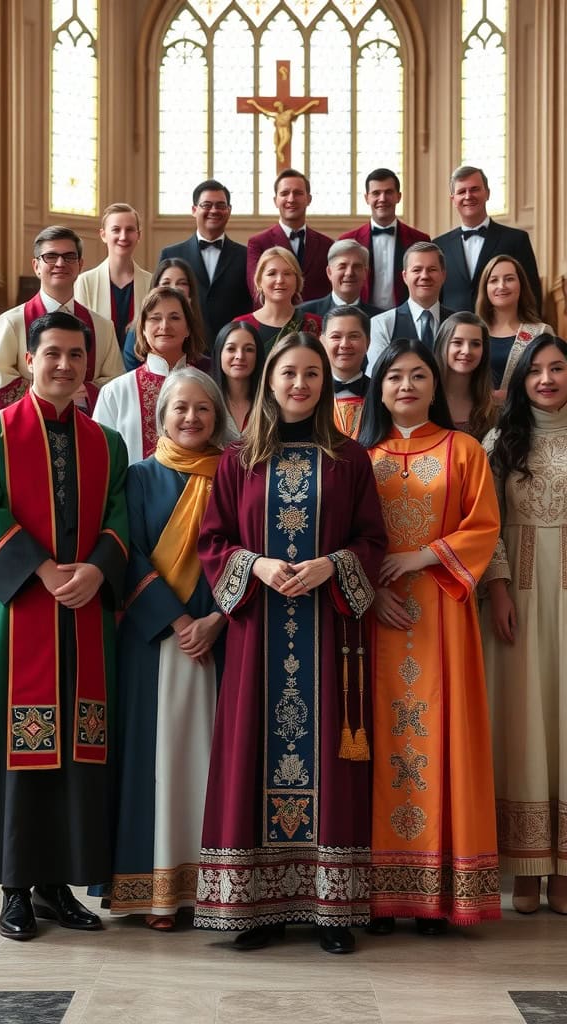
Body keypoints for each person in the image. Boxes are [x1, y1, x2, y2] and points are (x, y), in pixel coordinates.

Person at [195, 332, 387, 954]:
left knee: (330, 756)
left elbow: (371, 540)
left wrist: (334, 565)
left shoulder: (351, 460)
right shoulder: (237, 459)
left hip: (329, 634)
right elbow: (213, 542)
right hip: (259, 638)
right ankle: (256, 906)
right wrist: (255, 565)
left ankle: (332, 910)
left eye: (311, 373)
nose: (299, 384)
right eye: (288, 373)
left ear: (324, 382)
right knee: (253, 750)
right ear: (269, 381)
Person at [0, 310, 129, 941]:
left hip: (83, 615)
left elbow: (123, 519)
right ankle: (16, 887)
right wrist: (41, 569)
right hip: (19, 619)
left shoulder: (108, 442)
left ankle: (59, 886)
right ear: (28, 360)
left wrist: (100, 570)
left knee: (78, 750)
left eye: (77, 355)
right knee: (23, 749)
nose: (66, 366)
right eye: (53, 354)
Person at [358, 339, 501, 932]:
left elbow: (484, 527)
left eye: (419, 376)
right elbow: (347, 534)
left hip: (442, 612)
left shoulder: (464, 450)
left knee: (442, 736)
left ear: (435, 385)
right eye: (395, 377)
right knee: (377, 741)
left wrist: (421, 558)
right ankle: (379, 892)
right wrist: (373, 591)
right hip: (376, 619)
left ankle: (436, 890)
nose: (407, 386)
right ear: (380, 387)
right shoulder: (360, 457)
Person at [110, 368, 228, 929]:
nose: (191, 418)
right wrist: (180, 619)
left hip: (221, 644)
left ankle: (217, 887)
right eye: (180, 408)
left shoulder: (235, 477)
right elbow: (128, 555)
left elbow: (249, 551)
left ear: (218, 417)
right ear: (160, 417)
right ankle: (157, 890)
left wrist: (215, 621)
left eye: (203, 409)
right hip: (154, 643)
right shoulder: (137, 478)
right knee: (158, 763)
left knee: (213, 760)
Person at [480, 334, 567, 916]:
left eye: (557, 368)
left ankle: (564, 872)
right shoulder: (499, 441)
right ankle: (527, 869)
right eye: (535, 370)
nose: (546, 379)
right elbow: (486, 523)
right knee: (522, 721)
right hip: (518, 598)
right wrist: (501, 586)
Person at [0, 226, 124, 414]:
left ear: (80, 265)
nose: (60, 263)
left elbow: (116, 384)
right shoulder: (10, 323)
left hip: (85, 428)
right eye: (51, 256)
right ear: (36, 266)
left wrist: (87, 392)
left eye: (69, 257)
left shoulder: (102, 326)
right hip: (28, 431)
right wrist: (54, 392)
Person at [93, 286, 208, 464]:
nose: (165, 325)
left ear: (188, 329)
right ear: (143, 330)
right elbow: (100, 457)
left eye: (175, 317)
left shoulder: (207, 387)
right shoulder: (115, 392)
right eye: (155, 318)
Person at [434, 165, 542, 315]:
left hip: (503, 332)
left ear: (487, 193)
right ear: (453, 199)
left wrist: (530, 334)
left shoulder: (516, 240)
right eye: (461, 192)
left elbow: (532, 295)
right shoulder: (439, 245)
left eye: (474, 189)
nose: (468, 196)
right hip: (454, 334)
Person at [158, 180, 252, 349]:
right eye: (207, 205)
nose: (214, 210)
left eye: (221, 205)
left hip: (231, 349)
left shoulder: (246, 256)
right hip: (185, 347)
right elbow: (161, 303)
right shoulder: (171, 254)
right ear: (194, 210)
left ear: (229, 211)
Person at [339, 168, 430, 311]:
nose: (382, 198)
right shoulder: (348, 241)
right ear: (366, 198)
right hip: (360, 318)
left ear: (398, 197)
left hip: (405, 318)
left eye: (388, 192)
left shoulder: (419, 240)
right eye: (376, 193)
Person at [475, 254, 554, 403]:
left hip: (524, 420)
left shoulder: (541, 333)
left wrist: (512, 395)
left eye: (509, 279)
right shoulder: (473, 331)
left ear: (521, 285)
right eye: (493, 280)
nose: (501, 286)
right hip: (476, 420)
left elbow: (553, 380)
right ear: (485, 288)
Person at [247, 169, 333, 304]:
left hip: (314, 322)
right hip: (273, 321)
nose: (291, 199)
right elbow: (257, 289)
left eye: (298, 193)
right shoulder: (258, 243)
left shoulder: (327, 245)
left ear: (309, 199)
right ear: (276, 200)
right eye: (284, 193)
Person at [367, 242, 454, 373]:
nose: (424, 276)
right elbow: (379, 376)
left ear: (443, 275)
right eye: (417, 270)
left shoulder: (457, 323)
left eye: (432, 269)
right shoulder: (382, 324)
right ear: (405, 276)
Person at [74, 203, 152, 348]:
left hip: (139, 366)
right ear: (103, 235)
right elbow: (80, 336)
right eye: (116, 229)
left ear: (138, 235)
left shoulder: (152, 282)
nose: (123, 236)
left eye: (130, 230)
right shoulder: (85, 282)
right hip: (99, 367)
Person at [123, 257, 206, 371]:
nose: (174, 288)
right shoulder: (135, 331)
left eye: (181, 283)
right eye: (166, 283)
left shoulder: (200, 325)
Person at [235, 246, 322, 354]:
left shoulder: (315, 324)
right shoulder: (241, 325)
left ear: (297, 281)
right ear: (259, 282)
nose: (280, 280)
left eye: (287, 273)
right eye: (272, 273)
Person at [433, 311, 496, 439]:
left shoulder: (491, 407)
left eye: (475, 344)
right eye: (457, 342)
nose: (466, 351)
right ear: (443, 345)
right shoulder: (425, 399)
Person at [320, 306, 371, 439]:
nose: (344, 344)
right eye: (336, 336)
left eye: (353, 336)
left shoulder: (380, 392)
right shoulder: (312, 392)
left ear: (368, 342)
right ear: (323, 343)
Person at [296, 239, 380, 318]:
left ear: (366, 273)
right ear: (329, 272)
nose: (349, 273)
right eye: (342, 266)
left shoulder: (380, 318)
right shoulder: (303, 314)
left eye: (356, 267)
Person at [211, 320, 265, 439]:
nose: (240, 356)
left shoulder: (269, 404)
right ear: (219, 353)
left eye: (249, 349)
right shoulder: (206, 401)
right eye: (231, 349)